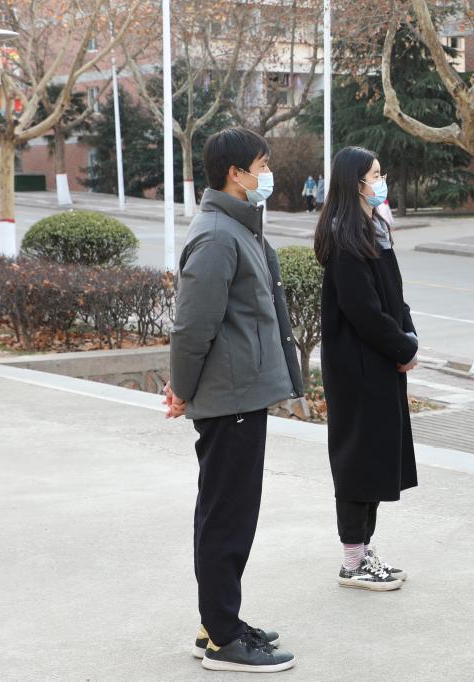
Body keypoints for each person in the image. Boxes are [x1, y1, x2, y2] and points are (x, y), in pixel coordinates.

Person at [164, 127, 303, 673]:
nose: (267, 173)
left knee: (227, 512)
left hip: (240, 393)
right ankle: (223, 639)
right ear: (236, 173)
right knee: (228, 517)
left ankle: (216, 621)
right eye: (261, 165)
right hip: (231, 398)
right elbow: (192, 326)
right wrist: (181, 388)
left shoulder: (237, 226)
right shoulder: (219, 236)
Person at [313, 146, 418, 592]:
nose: (381, 181)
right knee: (358, 460)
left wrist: (409, 337)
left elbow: (393, 297)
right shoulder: (345, 238)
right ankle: (352, 560)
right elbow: (364, 312)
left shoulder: (372, 228)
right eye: (375, 175)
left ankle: (363, 549)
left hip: (379, 362)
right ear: (355, 183)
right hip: (358, 368)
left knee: (374, 457)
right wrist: (401, 345)